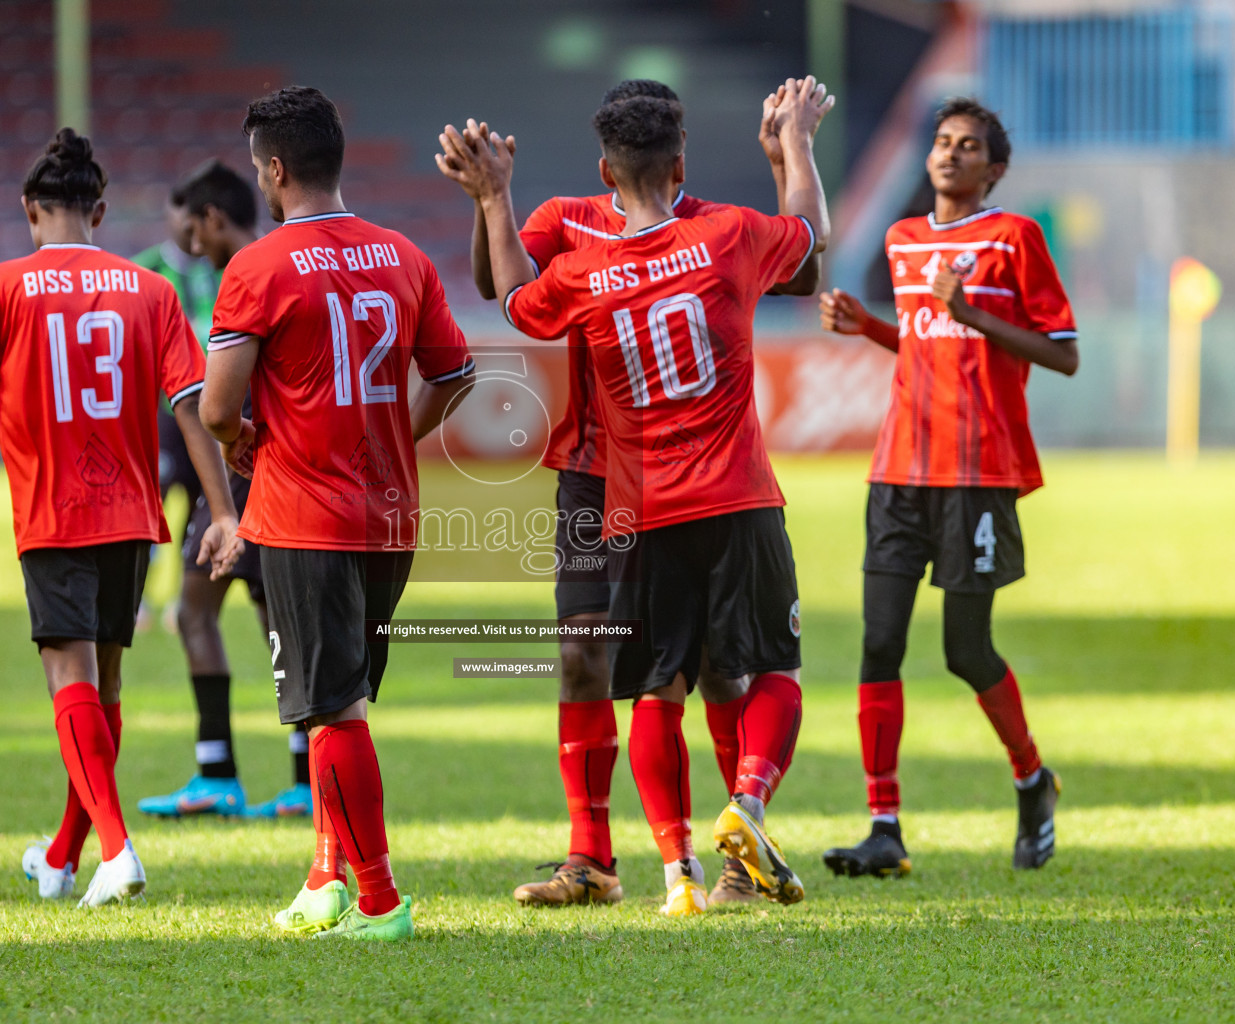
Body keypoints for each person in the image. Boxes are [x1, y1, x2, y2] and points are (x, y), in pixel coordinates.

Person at [448, 80, 831, 915]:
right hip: (608, 482)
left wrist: (489, 197)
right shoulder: (582, 221)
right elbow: (494, 275)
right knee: (603, 662)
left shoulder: (646, 243)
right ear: (676, 155)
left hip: (645, 484)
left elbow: (515, 300)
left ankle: (721, 866)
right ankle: (608, 859)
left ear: (611, 164)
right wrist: (497, 202)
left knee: (705, 676)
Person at [0, 129, 242, 905]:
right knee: (105, 682)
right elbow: (194, 405)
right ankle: (59, 857)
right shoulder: (149, 291)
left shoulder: (0, 288)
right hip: (131, 511)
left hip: (54, 512)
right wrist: (221, 511)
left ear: (30, 210)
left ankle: (116, 851)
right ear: (101, 211)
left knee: (67, 675)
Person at [201, 86, 475, 940]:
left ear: (275, 170)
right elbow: (457, 372)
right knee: (339, 701)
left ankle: (381, 902)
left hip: (303, 515)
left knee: (332, 709)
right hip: (390, 515)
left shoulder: (259, 267)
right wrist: (398, 430)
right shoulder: (403, 255)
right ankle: (324, 879)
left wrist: (246, 442)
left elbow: (215, 409)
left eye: (257, 167)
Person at [817, 98, 1076, 877]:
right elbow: (927, 343)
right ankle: (884, 825)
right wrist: (869, 326)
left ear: (993, 169)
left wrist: (970, 312)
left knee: (966, 652)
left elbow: (1061, 353)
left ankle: (1033, 780)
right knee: (878, 642)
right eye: (941, 142)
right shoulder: (902, 240)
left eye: (968, 147)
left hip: (978, 473)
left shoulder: (1016, 238)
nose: (949, 154)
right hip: (899, 469)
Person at [136, 160, 316, 821]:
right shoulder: (286, 264)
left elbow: (220, 401)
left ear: (213, 219)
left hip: (254, 476)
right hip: (253, 477)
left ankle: (271, 777)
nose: (192, 248)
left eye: (195, 233)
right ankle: (239, 774)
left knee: (255, 621)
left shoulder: (252, 272)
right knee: (209, 614)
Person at [132, 179, 221, 634]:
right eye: (179, 211)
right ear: (167, 214)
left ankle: (183, 601)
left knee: (199, 513)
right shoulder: (142, 271)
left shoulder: (224, 269)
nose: (188, 223)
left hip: (212, 418)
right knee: (153, 512)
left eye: (196, 213)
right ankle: (140, 599)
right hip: (163, 419)